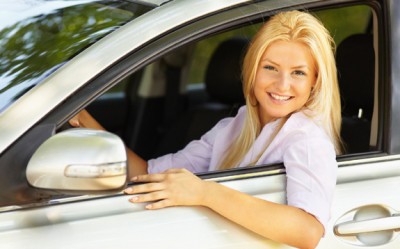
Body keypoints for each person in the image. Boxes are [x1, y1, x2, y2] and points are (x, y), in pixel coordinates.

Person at [69, 10, 342, 249]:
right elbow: (149, 175)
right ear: (252, 71)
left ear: (315, 83)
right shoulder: (232, 127)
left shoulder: (307, 139)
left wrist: (205, 193)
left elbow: (308, 231)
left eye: (298, 73)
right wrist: (81, 119)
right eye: (270, 67)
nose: (283, 85)